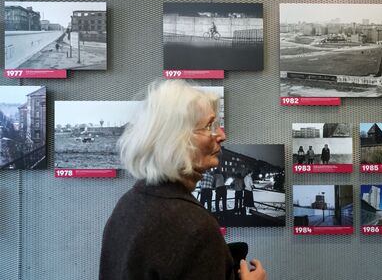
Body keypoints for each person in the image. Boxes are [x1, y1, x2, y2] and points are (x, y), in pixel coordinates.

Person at [99, 80, 267, 280]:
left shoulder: (129, 203)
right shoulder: (195, 227)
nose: (222, 135)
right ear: (176, 140)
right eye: (209, 125)